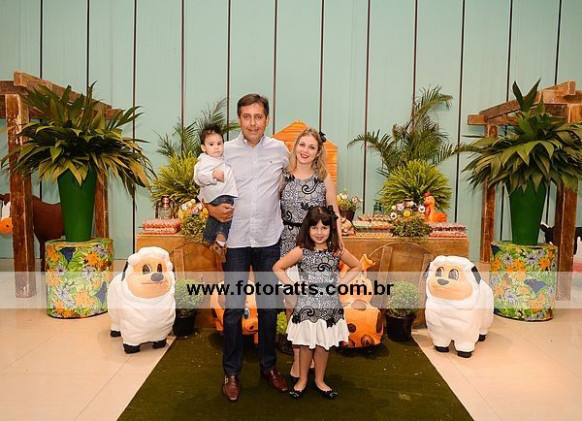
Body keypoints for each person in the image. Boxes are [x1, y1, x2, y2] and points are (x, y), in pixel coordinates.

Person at [206, 93, 290, 402]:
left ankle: (269, 367)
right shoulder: (224, 151)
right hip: (237, 240)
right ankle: (231, 373)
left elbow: (295, 179)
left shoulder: (280, 150)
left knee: (268, 308)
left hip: (269, 239)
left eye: (258, 116)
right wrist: (211, 209)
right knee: (233, 309)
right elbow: (204, 183)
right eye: (246, 117)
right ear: (239, 119)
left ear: (267, 119)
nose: (252, 122)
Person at [273, 206, 361, 399]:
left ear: (331, 229)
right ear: (308, 228)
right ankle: (302, 380)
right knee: (305, 344)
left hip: (329, 307)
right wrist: (293, 285)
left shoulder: (336, 250)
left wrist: (341, 283)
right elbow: (278, 267)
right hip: (307, 307)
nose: (319, 232)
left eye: (324, 227)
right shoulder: (301, 251)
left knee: (323, 344)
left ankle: (320, 380)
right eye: (315, 227)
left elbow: (357, 265)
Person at [279, 127, 343, 380]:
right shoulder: (283, 175)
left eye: (311, 147)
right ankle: (298, 361)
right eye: (302, 145)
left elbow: (334, 212)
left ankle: (315, 359)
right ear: (295, 146)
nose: (305, 150)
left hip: (317, 248)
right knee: (292, 304)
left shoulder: (323, 178)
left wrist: (339, 243)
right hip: (288, 244)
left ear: (318, 153)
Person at [194, 124, 238, 263]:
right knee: (226, 217)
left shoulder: (219, 158)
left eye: (219, 143)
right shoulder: (206, 160)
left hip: (218, 194)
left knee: (214, 219)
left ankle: (207, 239)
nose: (216, 147)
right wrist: (213, 175)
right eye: (211, 144)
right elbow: (199, 177)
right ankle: (220, 242)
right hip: (221, 194)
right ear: (203, 147)